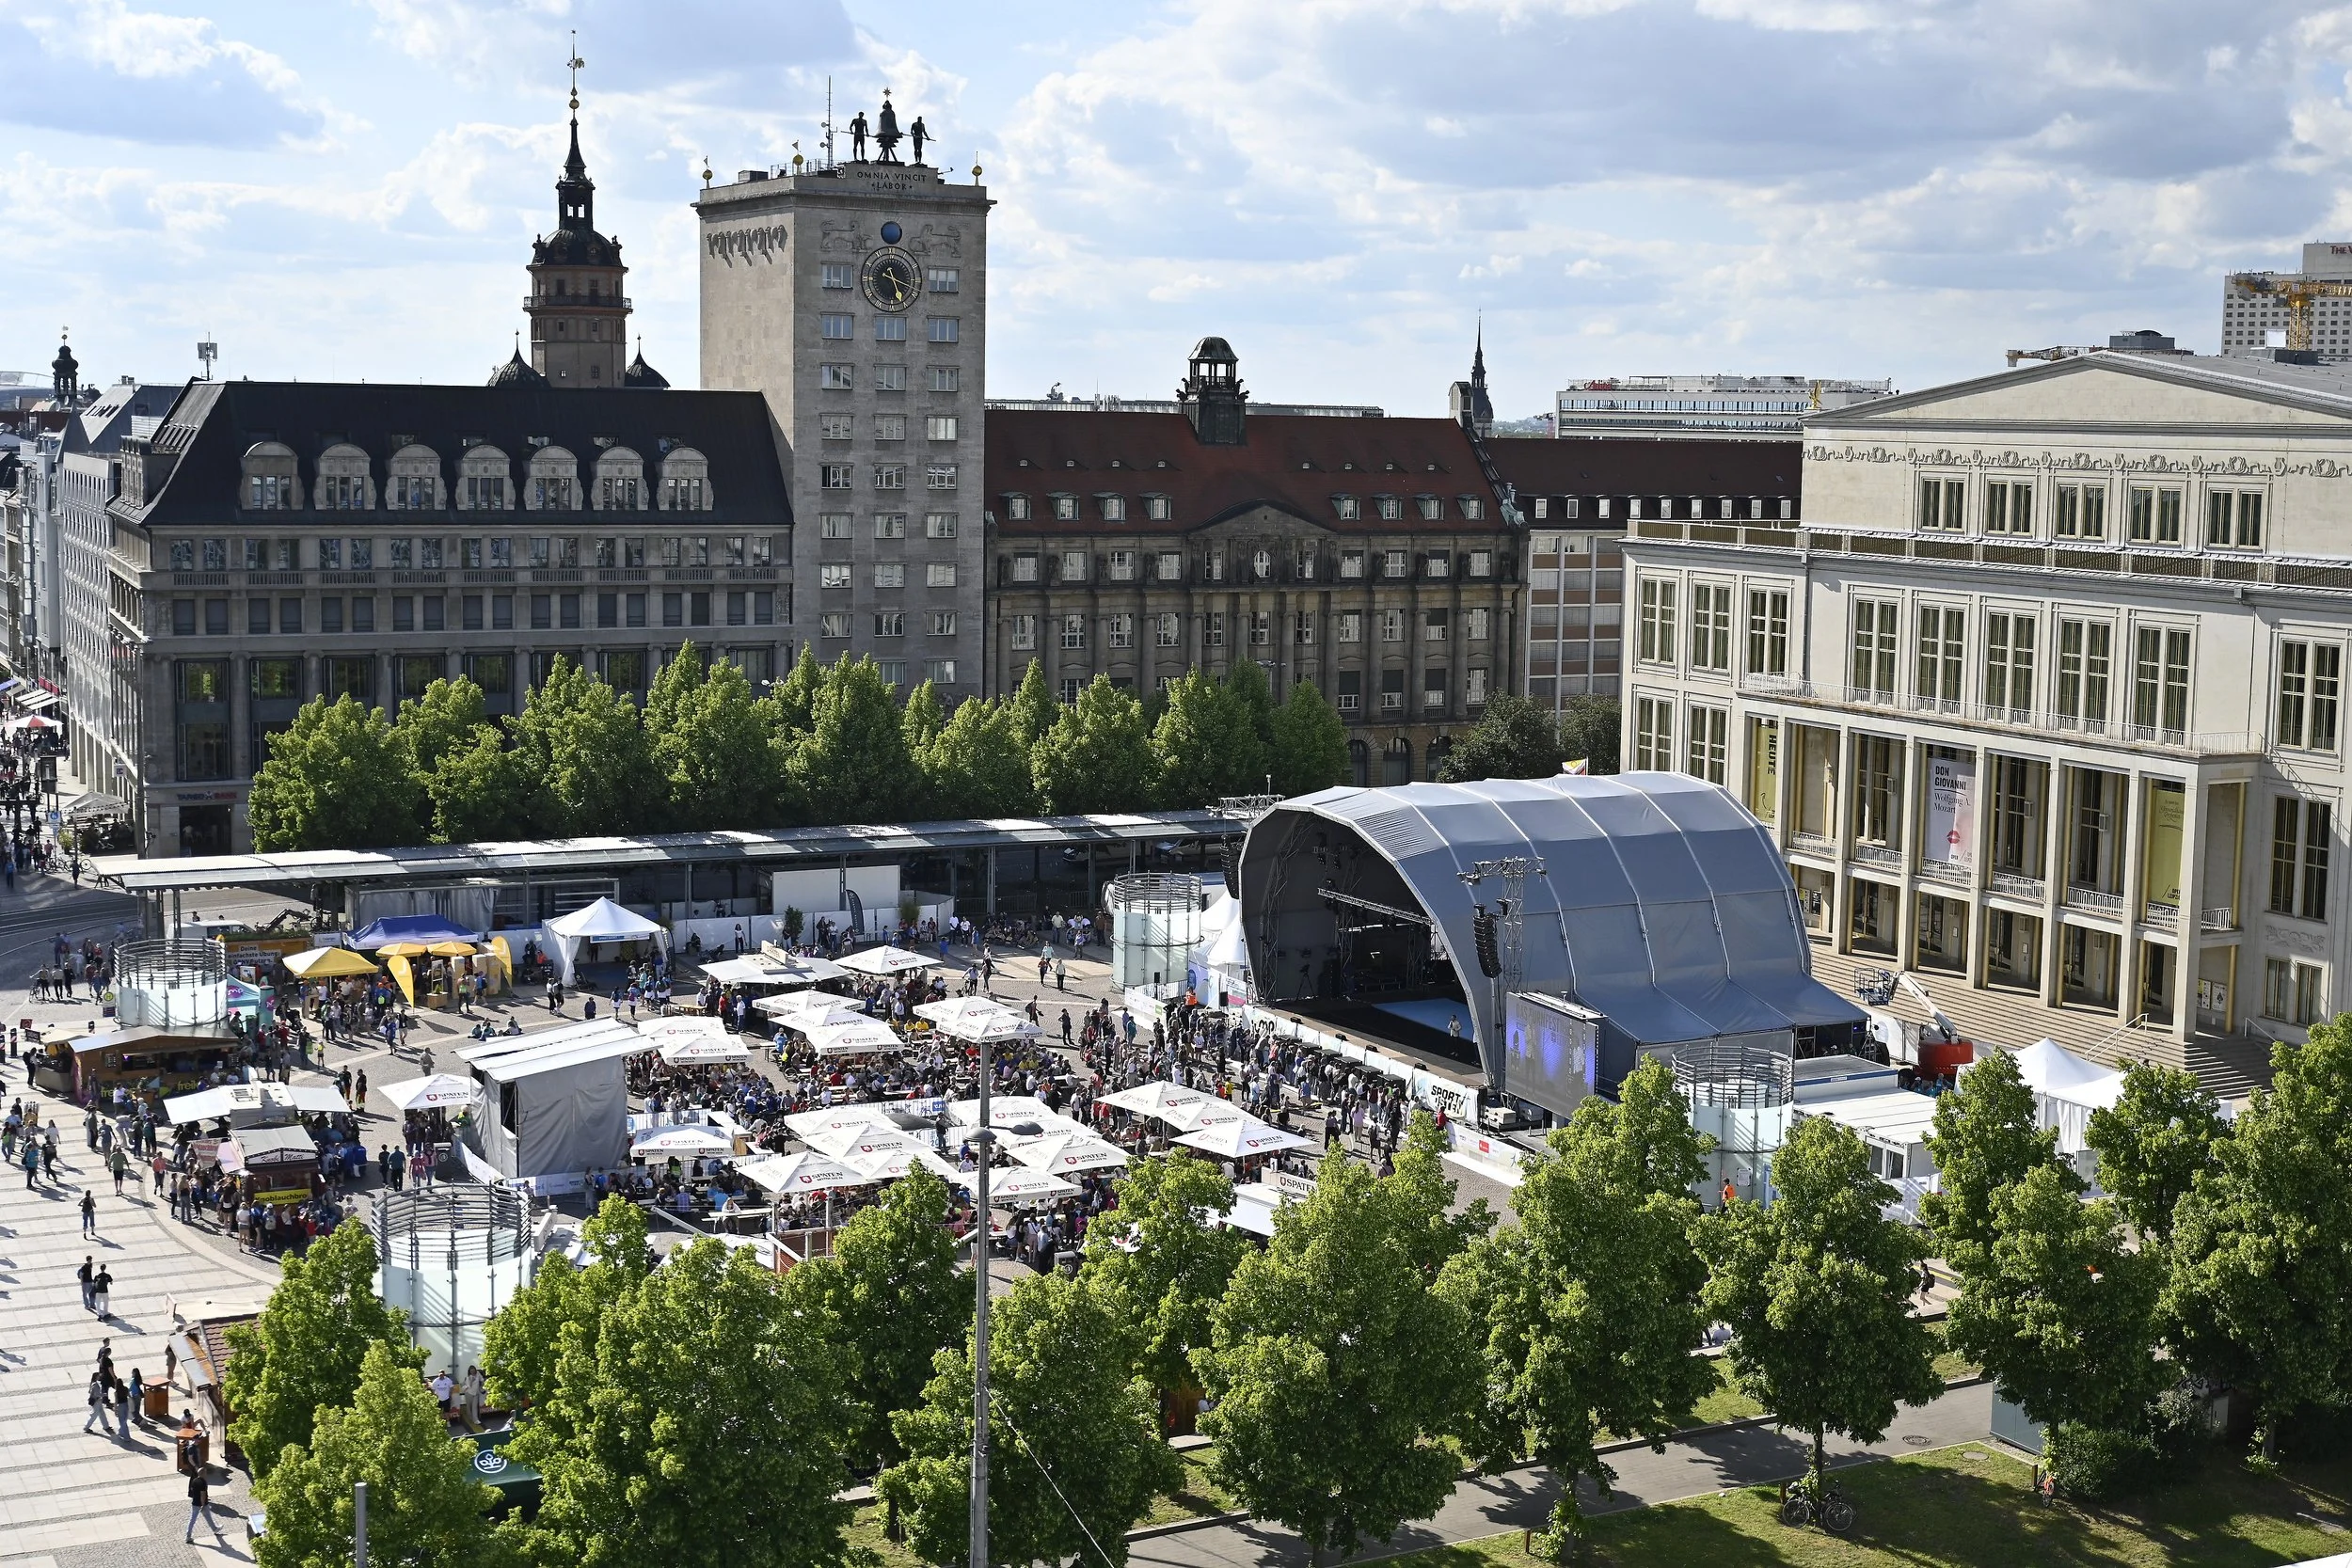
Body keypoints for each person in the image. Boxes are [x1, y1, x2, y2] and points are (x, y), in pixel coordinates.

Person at [184, 1461, 226, 1545]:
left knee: (193, 1519)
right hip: (202, 1504)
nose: (206, 1474)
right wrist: (203, 1505)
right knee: (205, 1516)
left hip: (194, 1503)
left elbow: (192, 1490)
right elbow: (203, 1494)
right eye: (205, 1473)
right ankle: (214, 1529)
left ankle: (188, 1535)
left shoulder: (195, 1480)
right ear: (203, 1474)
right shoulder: (203, 1482)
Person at [84, 1369, 112, 1434]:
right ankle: (86, 1427)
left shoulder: (94, 1384)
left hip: (98, 1401)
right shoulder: (95, 1385)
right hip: (97, 1401)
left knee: (102, 1414)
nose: (99, 1377)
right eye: (98, 1376)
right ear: (96, 1377)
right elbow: (96, 1394)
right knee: (94, 1415)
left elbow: (91, 1392)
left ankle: (106, 1426)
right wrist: (104, 1394)